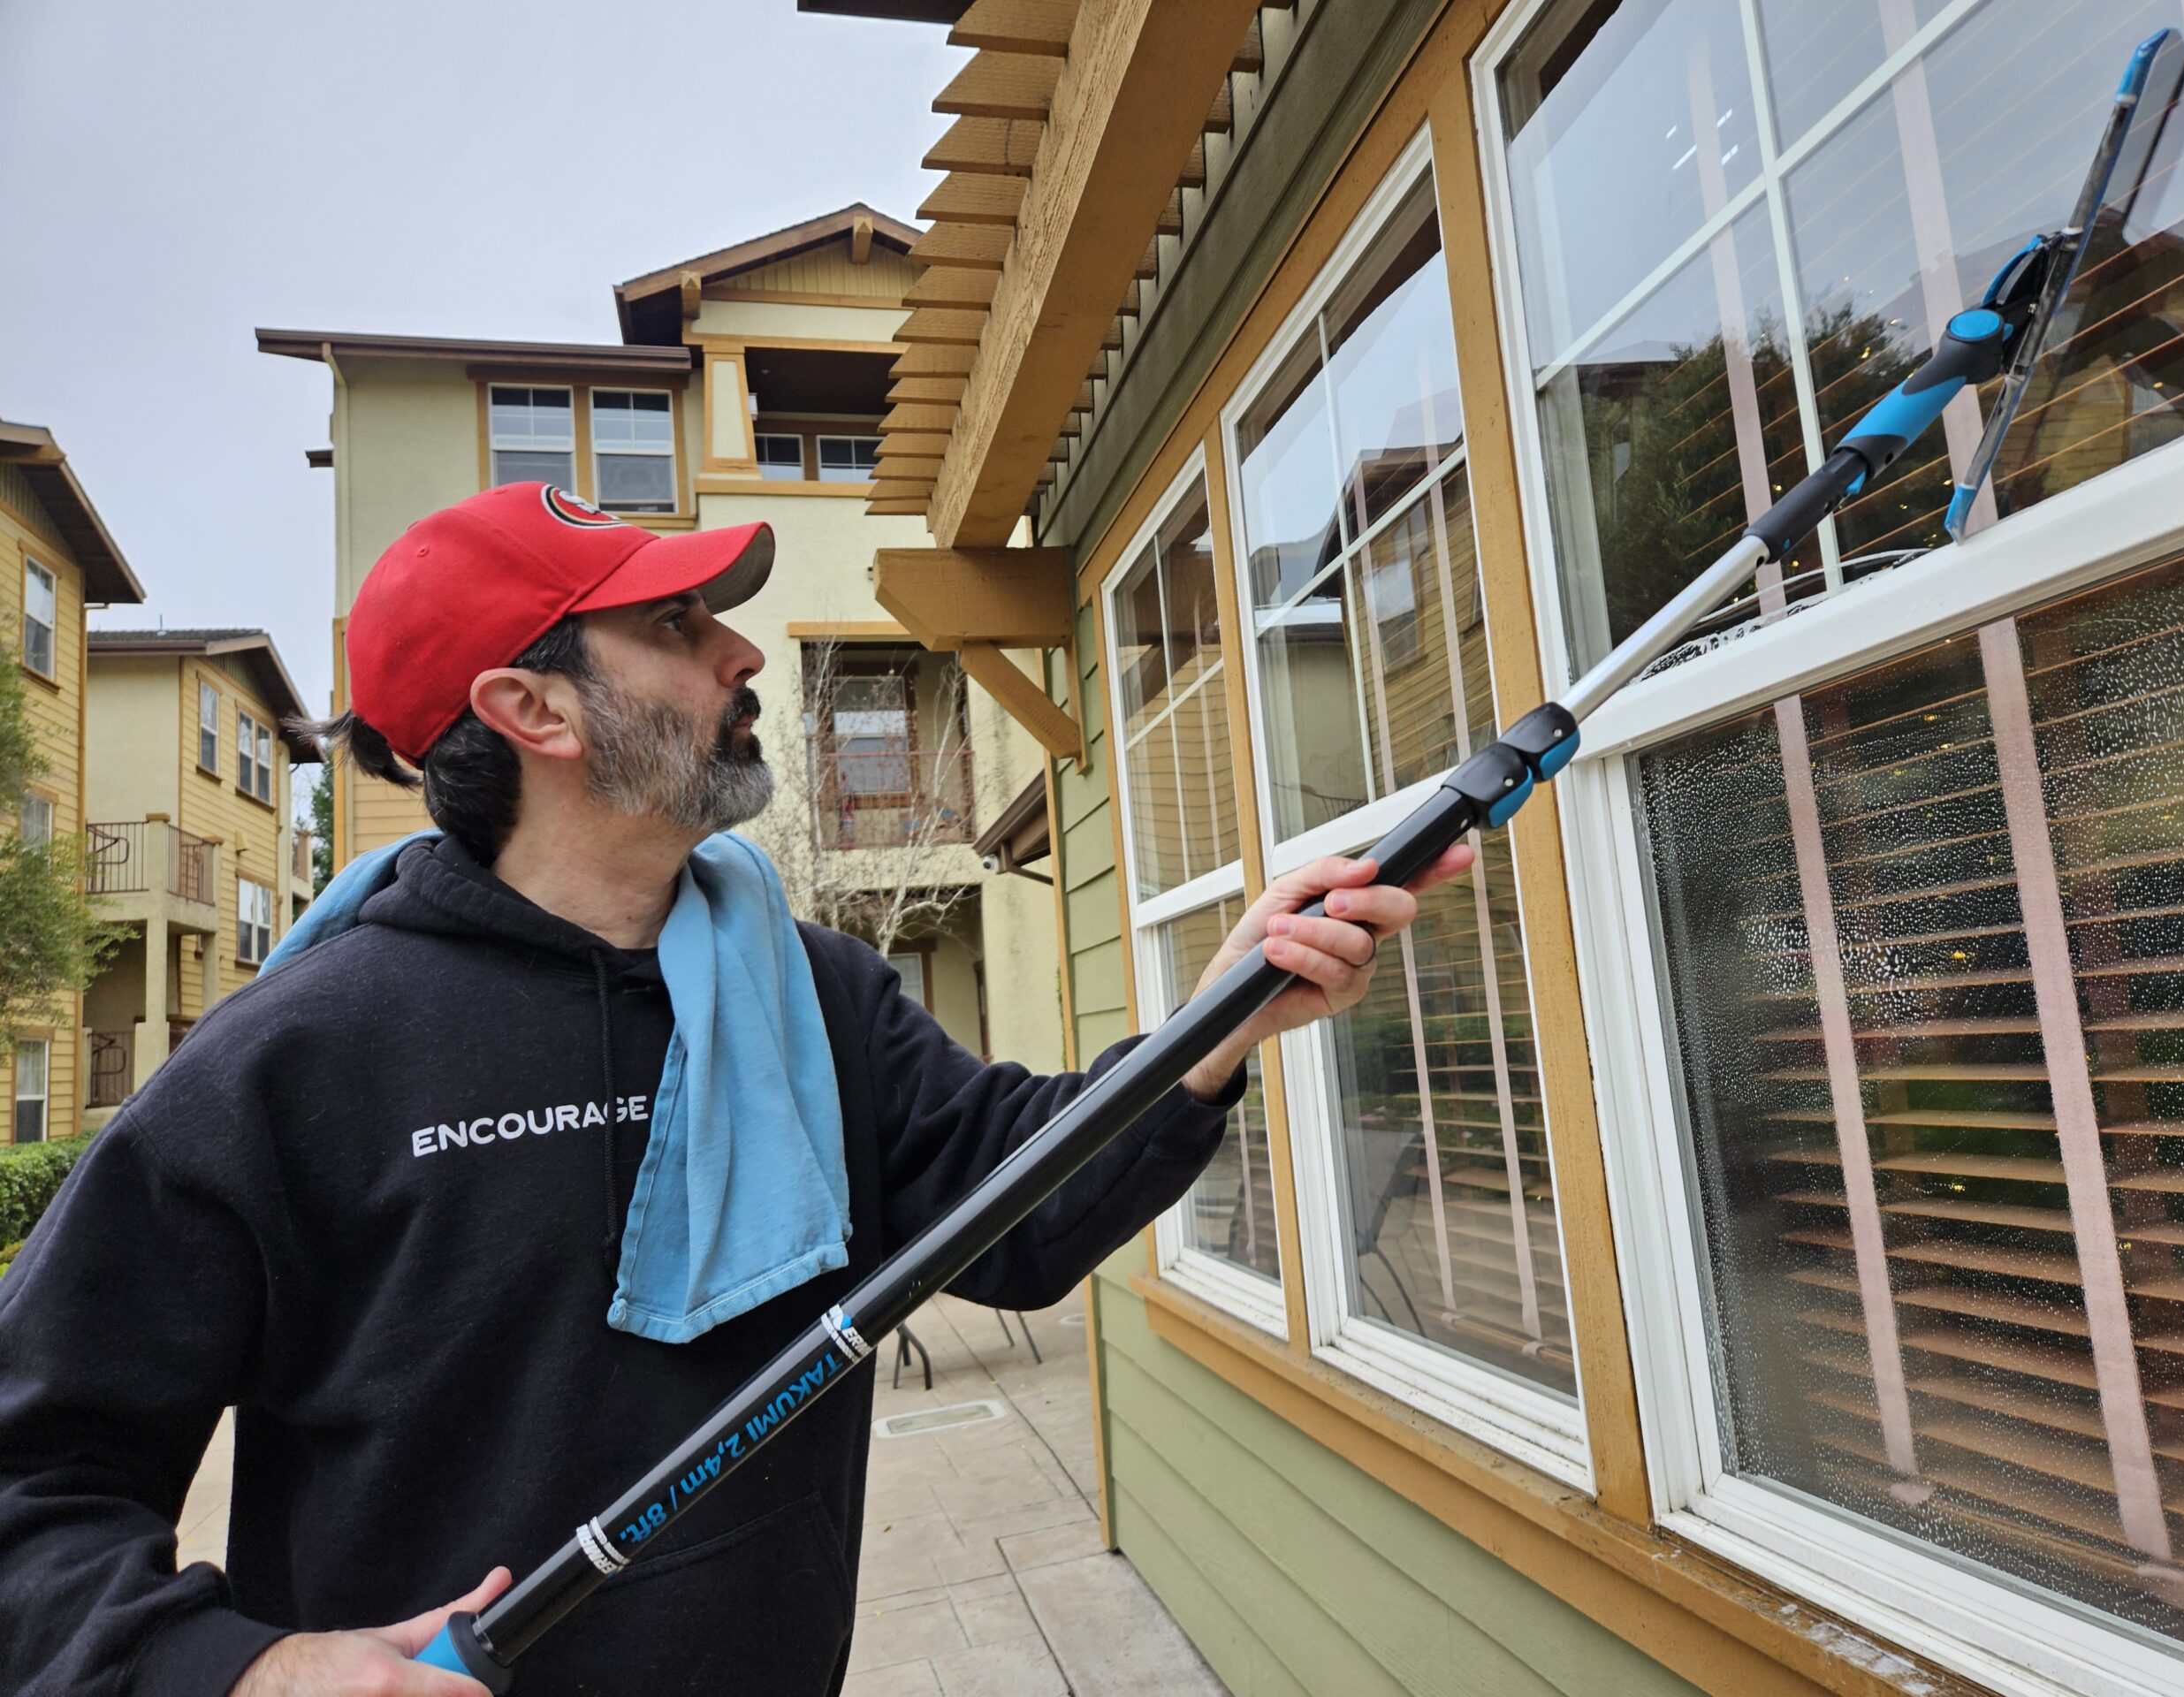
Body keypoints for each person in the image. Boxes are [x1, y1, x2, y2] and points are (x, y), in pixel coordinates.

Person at [0, 483, 1473, 1697]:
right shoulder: (291, 1059)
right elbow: (35, 1481)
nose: (742, 653)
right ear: (532, 707)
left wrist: (1222, 1016)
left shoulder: (812, 993)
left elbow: (1013, 1215)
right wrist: (241, 1671)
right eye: (676, 624)